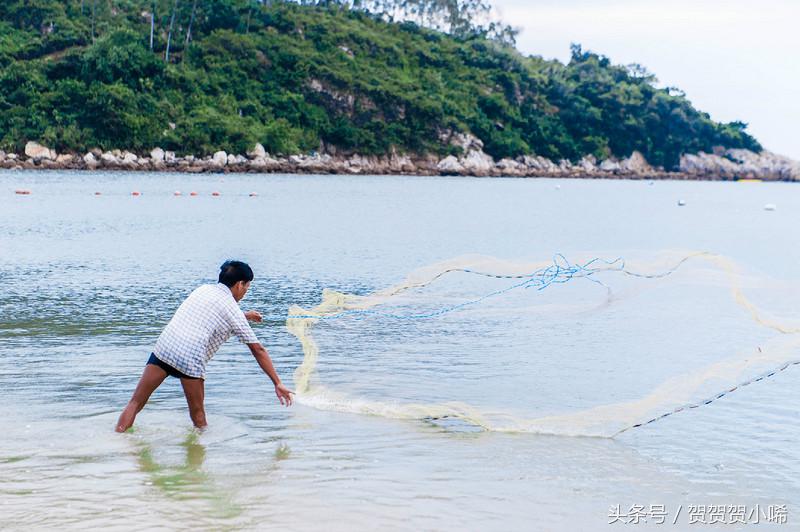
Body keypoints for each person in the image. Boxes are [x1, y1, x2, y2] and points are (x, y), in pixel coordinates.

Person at [115, 260, 294, 432]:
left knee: (136, 402)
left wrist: (245, 315)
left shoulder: (203, 289)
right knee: (199, 418)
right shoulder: (231, 309)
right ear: (240, 284)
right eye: (247, 287)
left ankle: (118, 438)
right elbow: (258, 349)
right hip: (189, 356)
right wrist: (277, 382)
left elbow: (213, 314)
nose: (246, 291)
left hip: (165, 347)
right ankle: (200, 458)